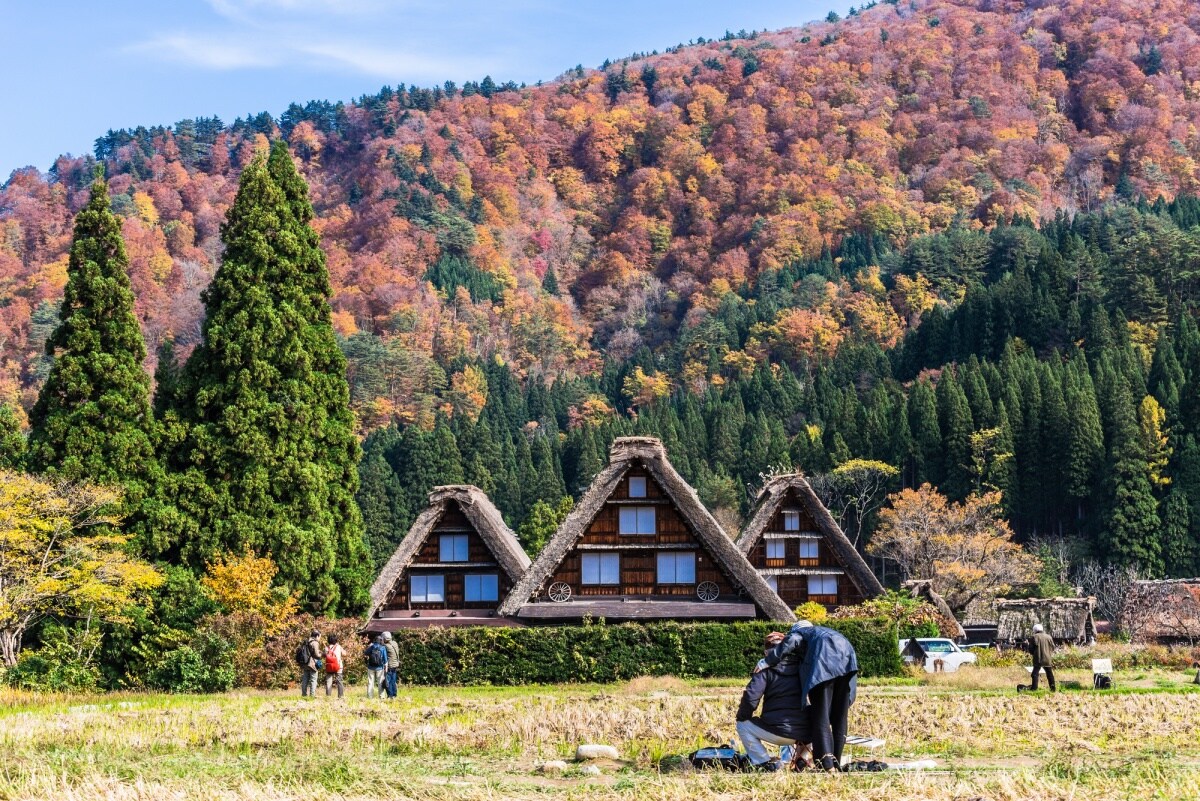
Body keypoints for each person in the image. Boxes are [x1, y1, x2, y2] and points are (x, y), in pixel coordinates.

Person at [756, 620, 859, 773]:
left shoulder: (800, 633)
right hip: (847, 655)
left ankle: (827, 765)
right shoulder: (825, 632)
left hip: (824, 660)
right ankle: (835, 762)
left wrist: (766, 661)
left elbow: (792, 641)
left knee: (820, 716)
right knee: (840, 718)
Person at [737, 631, 813, 772]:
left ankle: (765, 763)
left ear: (767, 652)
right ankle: (802, 759)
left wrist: (742, 716)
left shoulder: (764, 669)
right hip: (805, 732)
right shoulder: (803, 666)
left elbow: (751, 698)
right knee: (818, 726)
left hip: (776, 730)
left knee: (742, 725)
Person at [1020, 623, 1056, 693]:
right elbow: (1053, 647)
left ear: (1034, 630)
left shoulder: (1034, 637)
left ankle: (1034, 688)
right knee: (1049, 674)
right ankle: (1053, 689)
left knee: (1034, 674)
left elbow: (1030, 649)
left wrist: (1034, 653)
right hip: (1048, 659)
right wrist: (1048, 653)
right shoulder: (1049, 637)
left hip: (1038, 659)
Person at [299, 628, 321, 697]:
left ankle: (304, 694)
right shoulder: (315, 642)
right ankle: (312, 695)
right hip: (312, 663)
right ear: (317, 636)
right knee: (313, 679)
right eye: (320, 636)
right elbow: (317, 655)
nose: (320, 638)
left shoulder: (306, 641)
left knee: (305, 679)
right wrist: (322, 655)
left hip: (305, 662)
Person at [365, 635, 388, 699]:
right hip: (380, 668)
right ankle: (382, 697)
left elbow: (365, 653)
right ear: (381, 641)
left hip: (370, 667)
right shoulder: (383, 648)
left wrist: (369, 647)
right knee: (380, 683)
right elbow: (385, 660)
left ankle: (370, 697)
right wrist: (386, 668)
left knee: (370, 682)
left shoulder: (371, 647)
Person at [324, 633, 346, 699]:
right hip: (338, 666)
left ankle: (328, 696)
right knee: (339, 681)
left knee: (329, 681)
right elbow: (344, 654)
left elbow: (324, 656)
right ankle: (340, 696)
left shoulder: (326, 648)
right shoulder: (338, 647)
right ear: (336, 640)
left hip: (329, 666)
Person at [382, 631, 400, 699]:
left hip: (389, 666)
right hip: (395, 665)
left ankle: (390, 695)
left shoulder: (385, 646)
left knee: (388, 681)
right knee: (393, 681)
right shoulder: (395, 643)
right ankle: (394, 695)